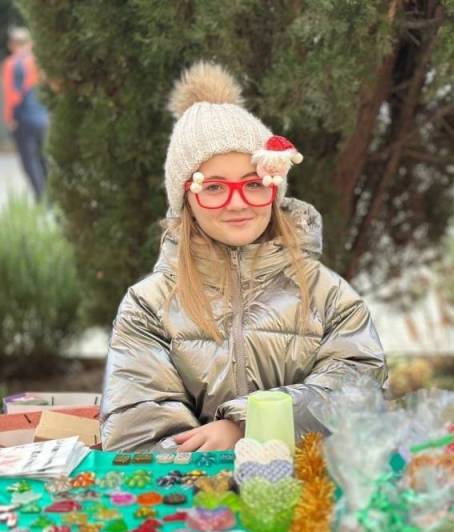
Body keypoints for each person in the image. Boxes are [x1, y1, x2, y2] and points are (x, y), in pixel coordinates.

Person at [101, 62, 387, 451]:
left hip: (305, 483)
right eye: (214, 187)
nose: (237, 203)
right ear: (185, 199)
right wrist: (203, 458)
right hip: (195, 487)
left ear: (275, 188)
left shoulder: (328, 295)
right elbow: (136, 428)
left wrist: (248, 425)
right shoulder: (149, 306)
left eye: (253, 184)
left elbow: (360, 389)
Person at [1, 26, 48, 200]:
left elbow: (12, 94)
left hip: (23, 118)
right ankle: (51, 197)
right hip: (43, 116)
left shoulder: (11, 64)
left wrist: (9, 118)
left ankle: (41, 198)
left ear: (13, 44)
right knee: (43, 158)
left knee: (30, 160)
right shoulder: (39, 61)